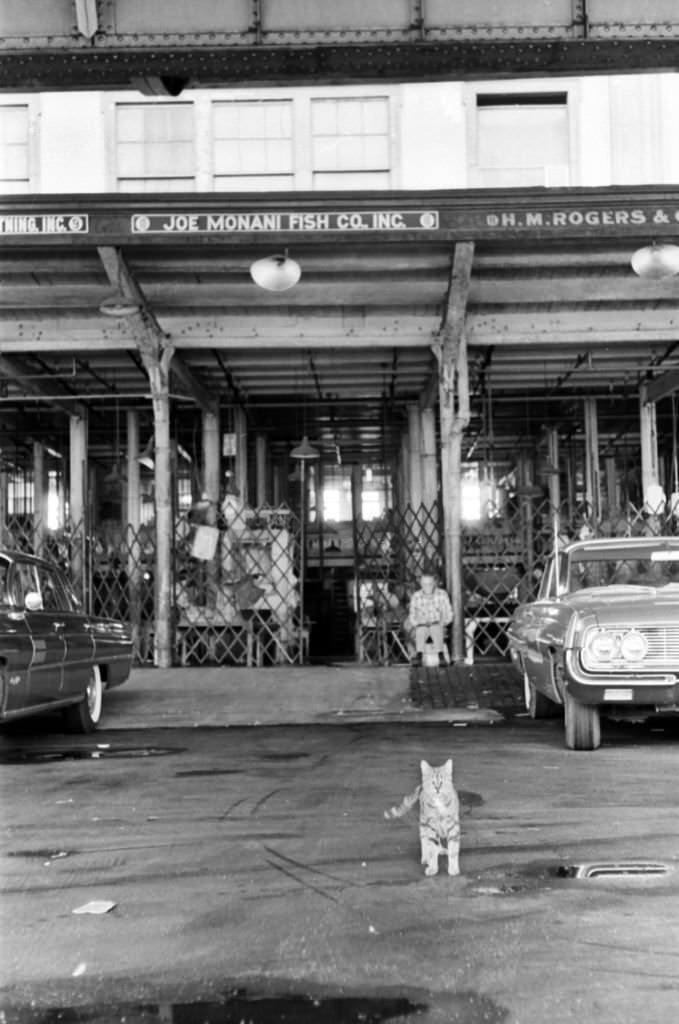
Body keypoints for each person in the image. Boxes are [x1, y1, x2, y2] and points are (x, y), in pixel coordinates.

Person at [408, 569, 453, 667]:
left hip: (437, 622)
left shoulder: (442, 594)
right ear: (420, 584)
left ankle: (441, 657)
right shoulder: (416, 596)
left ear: (435, 583)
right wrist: (417, 623)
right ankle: (419, 656)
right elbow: (412, 615)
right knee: (420, 630)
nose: (427, 586)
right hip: (422, 624)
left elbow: (449, 613)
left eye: (430, 584)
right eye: (424, 584)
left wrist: (443, 622)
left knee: (436, 629)